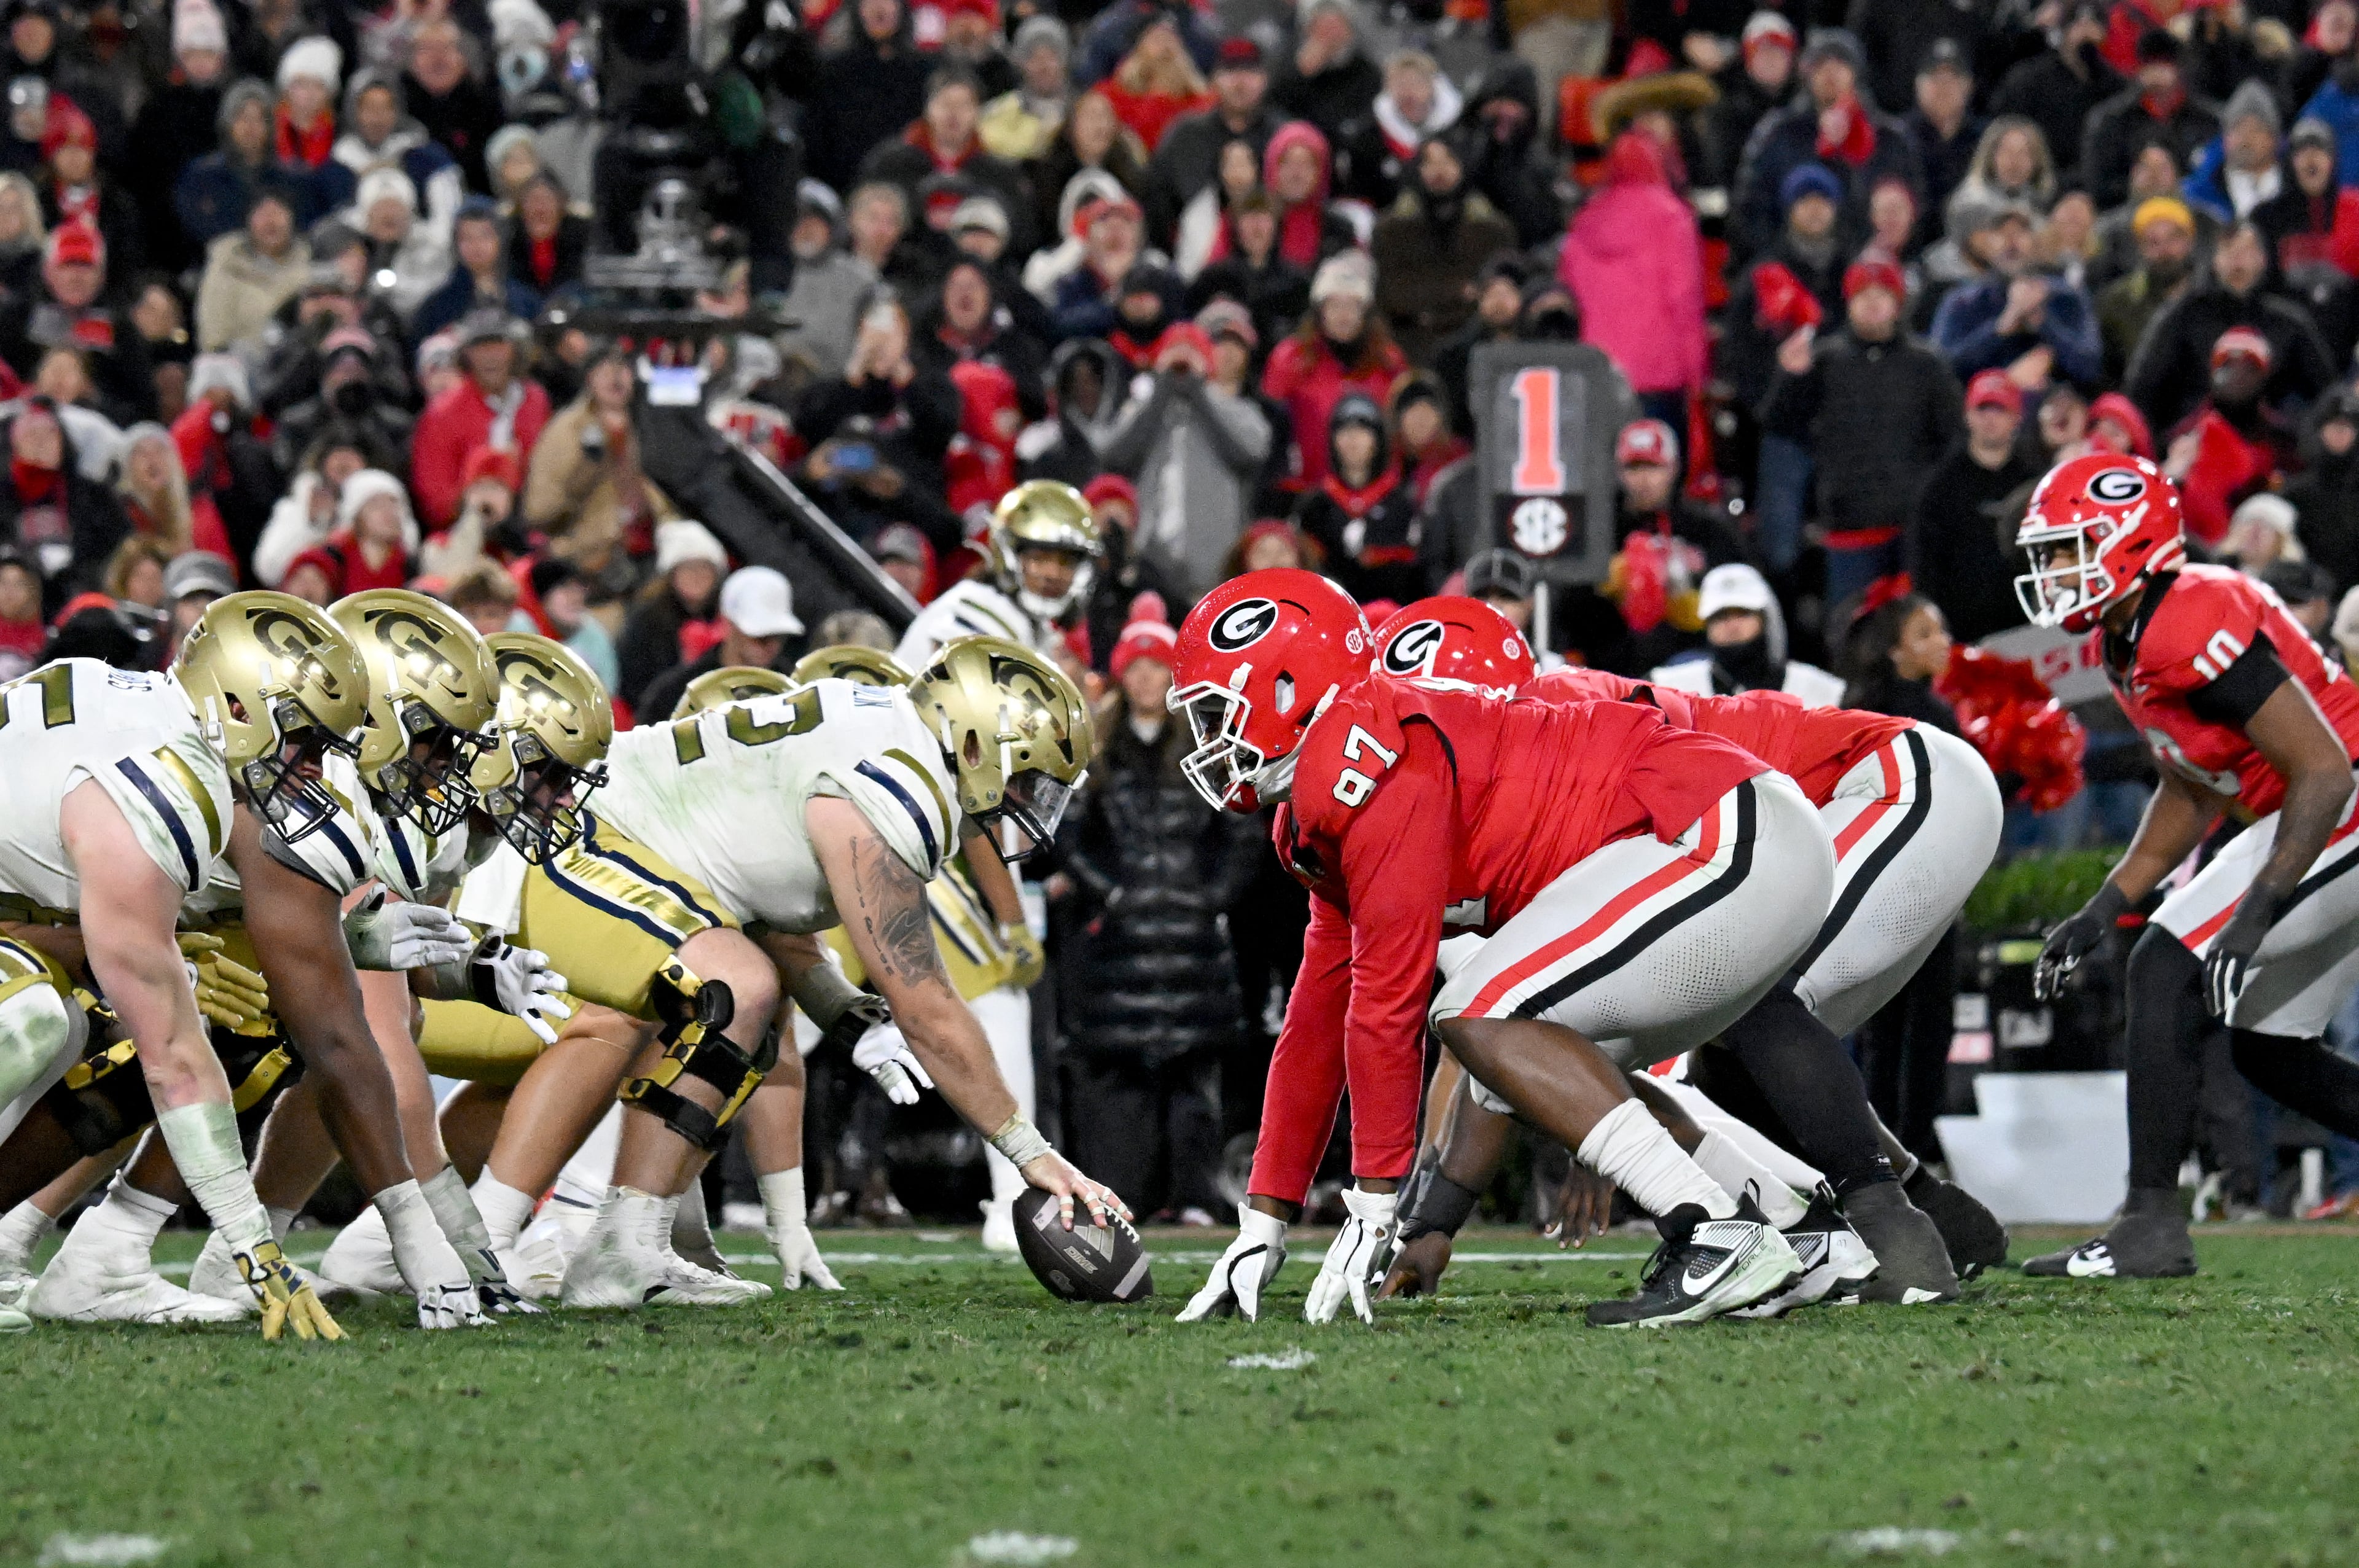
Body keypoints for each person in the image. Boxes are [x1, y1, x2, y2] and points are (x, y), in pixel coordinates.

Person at [1168, 569, 1828, 1327]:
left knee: (1478, 1011)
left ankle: (1713, 1230)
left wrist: (1376, 1206)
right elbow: (1315, 1028)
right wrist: (1264, 1222)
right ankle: (1803, 1228)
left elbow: (1386, 1012)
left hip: (1718, 832)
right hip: (1735, 845)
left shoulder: (1379, 756)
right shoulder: (1322, 808)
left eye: (1216, 711)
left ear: (1288, 690)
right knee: (1521, 1053)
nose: (1209, 738)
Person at [557, 636, 1127, 1303]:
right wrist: (1032, 1152)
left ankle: (637, 1240)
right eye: (1026, 777)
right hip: (584, 833)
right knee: (733, 991)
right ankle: (572, 1235)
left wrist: (843, 1011)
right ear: (976, 742)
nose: (1028, 800)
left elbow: (757, 891)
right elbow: (927, 1006)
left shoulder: (877, 727)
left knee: (747, 1003)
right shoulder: (897, 779)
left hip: (604, 826)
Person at [2021, 454, 2359, 1279]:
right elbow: (2192, 785)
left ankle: (2150, 1223)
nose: (2054, 571)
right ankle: (2150, 1220)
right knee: (2269, 1048)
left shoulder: (2189, 614)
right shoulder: (2129, 636)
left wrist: (2259, 907)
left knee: (2164, 965)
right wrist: (2105, 904)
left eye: (2069, 548)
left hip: (2339, 798)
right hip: (2314, 807)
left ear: (2131, 539)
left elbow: (2323, 771)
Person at [1056, 603, 1257, 1220]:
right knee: (1124, 1082)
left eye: (1157, 666)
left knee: (1195, 1078)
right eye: (1136, 666)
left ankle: (1195, 1195)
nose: (1146, 678)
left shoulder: (1208, 746)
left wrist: (1213, 899)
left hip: (1193, 944)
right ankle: (1128, 1195)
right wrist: (1111, 896)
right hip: (1121, 945)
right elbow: (1067, 832)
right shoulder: (1094, 748)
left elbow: (1244, 828)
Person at [1761, 257, 1962, 606]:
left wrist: (1934, 502)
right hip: (1849, 526)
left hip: (1914, 528)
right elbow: (1781, 425)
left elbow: (1953, 437)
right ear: (1849, 302)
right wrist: (1790, 378)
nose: (1872, 303)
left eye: (1882, 294)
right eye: (1863, 294)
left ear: (1898, 303)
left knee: (1920, 622)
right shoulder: (1823, 361)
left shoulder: (1927, 364)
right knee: (1853, 624)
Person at [1093, 318, 1268, 602]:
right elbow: (1114, 455)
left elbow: (1251, 452)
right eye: (1174, 353)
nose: (1183, 364)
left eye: (1193, 353)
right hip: (1149, 561)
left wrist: (1199, 392)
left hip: (1215, 562)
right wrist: (1161, 390)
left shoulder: (1233, 408)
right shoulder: (1144, 407)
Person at [2126, 220, 2336, 436]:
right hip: (2195, 439)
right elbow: (2143, 386)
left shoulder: (2289, 322)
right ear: (2215, 261)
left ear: (2263, 259)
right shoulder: (2184, 315)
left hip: (2272, 443)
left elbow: (2329, 395)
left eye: (2246, 251)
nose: (2237, 262)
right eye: (2229, 252)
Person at [1731, 28, 1923, 259]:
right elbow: (1751, 205)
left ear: (1857, 73)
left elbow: (1914, 207)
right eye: (1821, 65)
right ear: (1808, 74)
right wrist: (1779, 259)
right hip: (1792, 263)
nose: (1830, 73)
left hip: (1873, 265)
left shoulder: (1890, 138)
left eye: (1841, 64)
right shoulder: (1778, 132)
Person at [1559, 130, 1707, 427]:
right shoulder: (1673, 217)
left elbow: (1568, 296)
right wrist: (1697, 373)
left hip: (1596, 372)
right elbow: (1683, 299)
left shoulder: (1585, 220)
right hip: (1659, 375)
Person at [898, 478, 1101, 667]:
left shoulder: (1036, 629)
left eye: (1067, 563)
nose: (1053, 573)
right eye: (1039, 558)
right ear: (1008, 553)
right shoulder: (972, 616)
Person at [1911, 370, 2040, 644]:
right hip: (1961, 634)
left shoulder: (2035, 482)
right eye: (1983, 409)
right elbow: (1924, 567)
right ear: (1968, 415)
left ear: (2017, 417)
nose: (1990, 419)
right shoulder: (1940, 487)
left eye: (2000, 410)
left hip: (2027, 629)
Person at [1261, 252, 1404, 494]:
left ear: (1366, 312)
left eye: (1352, 306)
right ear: (1320, 311)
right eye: (1334, 305)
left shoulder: (1389, 361)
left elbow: (1403, 432)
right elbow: (1269, 428)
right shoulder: (1291, 359)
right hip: (1307, 492)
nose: (1343, 315)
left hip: (1376, 494)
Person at [410, 311, 550, 532]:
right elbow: (435, 498)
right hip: (466, 528)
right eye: (480, 347)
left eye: (498, 345)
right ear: (465, 355)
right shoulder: (443, 413)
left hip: (535, 524)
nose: (490, 356)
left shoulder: (536, 400)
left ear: (516, 349)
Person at [1652, 563, 1845, 707]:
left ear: (1766, 618)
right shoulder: (1671, 689)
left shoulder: (1820, 691)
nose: (1732, 626)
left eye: (1743, 614)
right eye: (1720, 617)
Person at [1289, 392, 1418, 607]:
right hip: (1328, 611)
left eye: (1363, 430)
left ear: (1378, 440)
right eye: (1344, 430)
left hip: (1390, 613)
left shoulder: (1401, 503)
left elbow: (1410, 576)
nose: (1353, 439)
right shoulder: (1313, 506)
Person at [635, 565, 805, 725]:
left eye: (779, 636)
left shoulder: (796, 690)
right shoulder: (676, 692)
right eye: (760, 637)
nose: (771, 646)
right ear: (728, 624)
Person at [2081, 30, 2220, 211]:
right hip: (2127, 213)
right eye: (2149, 65)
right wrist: (2141, 188)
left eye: (2163, 65)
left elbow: (2219, 176)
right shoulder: (2111, 120)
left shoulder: (2207, 119)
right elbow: (2098, 182)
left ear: (2179, 69)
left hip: (2196, 212)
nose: (2156, 74)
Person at [1987, 1, 2120, 175]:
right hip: (2038, 177)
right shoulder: (2030, 79)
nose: (2085, 37)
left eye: (2092, 30)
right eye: (2078, 27)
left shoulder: (2114, 87)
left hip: (2092, 179)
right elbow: (2002, 127)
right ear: (2063, 33)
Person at [616, 518, 727, 710]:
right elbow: (632, 683)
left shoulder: (727, 617)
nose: (697, 576)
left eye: (704, 567)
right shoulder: (647, 620)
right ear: (672, 574)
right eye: (688, 568)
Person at [1334, 47, 1462, 211]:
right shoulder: (1368, 137)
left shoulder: (1461, 127)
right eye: (1400, 84)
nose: (1408, 93)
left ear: (1433, 85)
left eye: (1416, 83)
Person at [193, 184, 309, 354]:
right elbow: (213, 332)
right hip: (239, 358)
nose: (270, 222)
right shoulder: (226, 264)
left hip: (298, 356)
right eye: (262, 214)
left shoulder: (310, 263)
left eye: (278, 213)